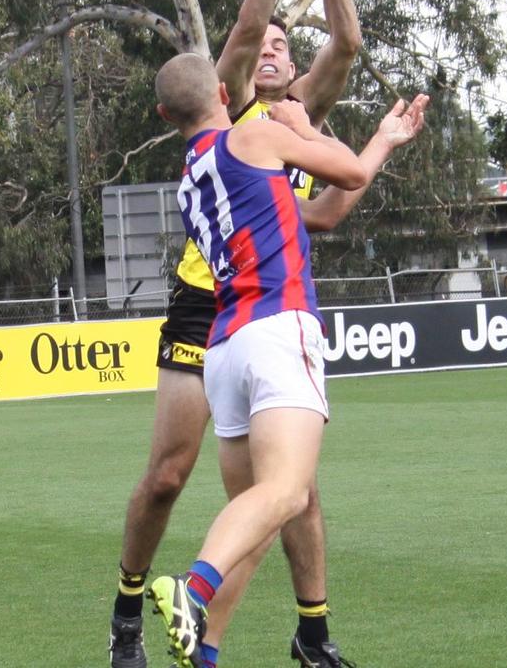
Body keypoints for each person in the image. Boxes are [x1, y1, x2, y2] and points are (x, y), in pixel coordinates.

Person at [109, 0, 364, 668]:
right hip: (209, 305)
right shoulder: (235, 110)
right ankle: (129, 614)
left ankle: (309, 634)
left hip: (261, 309)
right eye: (265, 44)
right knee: (168, 478)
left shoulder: (296, 117)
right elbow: (251, 25)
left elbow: (346, 45)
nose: (274, 47)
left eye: (289, 44)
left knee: (291, 490)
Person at [147, 52, 372, 668]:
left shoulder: (190, 178)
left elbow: (321, 204)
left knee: (255, 512)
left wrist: (385, 139)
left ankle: (207, 650)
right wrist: (303, 125)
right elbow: (347, 174)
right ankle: (192, 589)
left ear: (167, 115)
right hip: (278, 325)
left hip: (222, 347)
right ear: (225, 91)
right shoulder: (255, 133)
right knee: (288, 492)